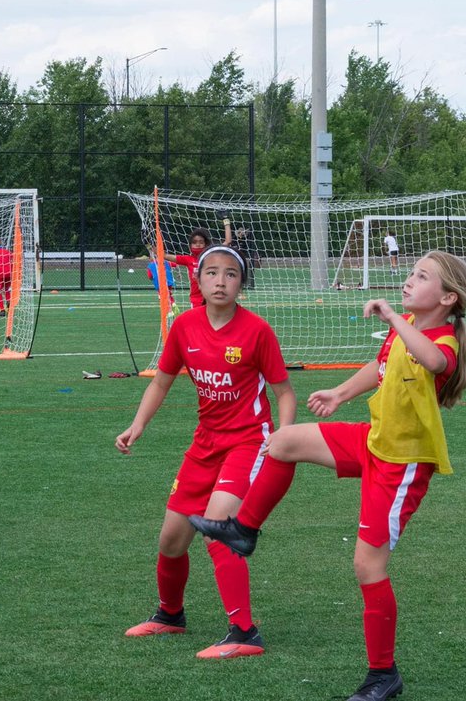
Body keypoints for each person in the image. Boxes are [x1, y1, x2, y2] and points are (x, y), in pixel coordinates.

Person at [190, 251, 466, 701]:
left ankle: (383, 675)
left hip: (402, 465)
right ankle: (243, 530)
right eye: (412, 272)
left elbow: (434, 363)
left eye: (422, 277)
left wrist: (393, 318)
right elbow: (381, 368)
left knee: (368, 567)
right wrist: (340, 393)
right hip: (373, 440)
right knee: (282, 442)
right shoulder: (409, 326)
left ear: (446, 297)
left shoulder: (441, 339)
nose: (409, 280)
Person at [117, 245, 296, 660]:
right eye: (212, 273)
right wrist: (137, 425)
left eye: (231, 274)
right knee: (172, 540)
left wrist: (283, 436)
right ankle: (170, 615)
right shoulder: (184, 326)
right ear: (197, 281)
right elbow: (160, 382)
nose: (221, 280)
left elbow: (284, 392)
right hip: (205, 443)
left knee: (218, 528)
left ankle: (244, 633)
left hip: (249, 442)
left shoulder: (257, 331)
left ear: (240, 284)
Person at [164, 227, 215, 309]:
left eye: (201, 242)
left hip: (211, 297)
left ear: (206, 244)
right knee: (196, 321)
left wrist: (226, 222)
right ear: (190, 245)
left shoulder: (211, 257)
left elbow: (227, 242)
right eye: (194, 242)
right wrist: (152, 247)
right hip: (196, 299)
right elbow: (165, 256)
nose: (198, 244)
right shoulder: (188, 259)